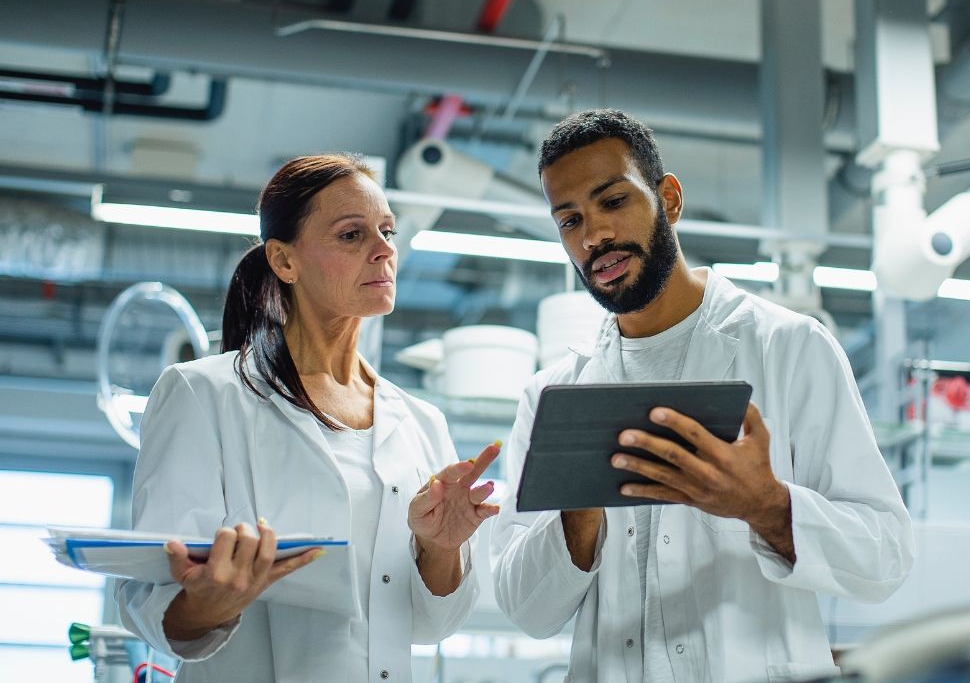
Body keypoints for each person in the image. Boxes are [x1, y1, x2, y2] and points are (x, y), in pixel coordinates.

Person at [491, 110, 915, 683]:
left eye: (613, 202)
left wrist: (764, 505)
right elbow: (526, 609)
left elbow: (885, 557)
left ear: (668, 199)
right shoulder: (553, 397)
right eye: (570, 220)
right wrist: (578, 510)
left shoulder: (789, 347)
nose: (594, 236)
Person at [117, 154, 501, 683]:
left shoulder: (420, 422)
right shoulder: (203, 393)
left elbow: (432, 625)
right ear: (284, 260)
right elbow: (150, 601)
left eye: (387, 230)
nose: (385, 248)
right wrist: (210, 602)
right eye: (352, 234)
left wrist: (440, 548)